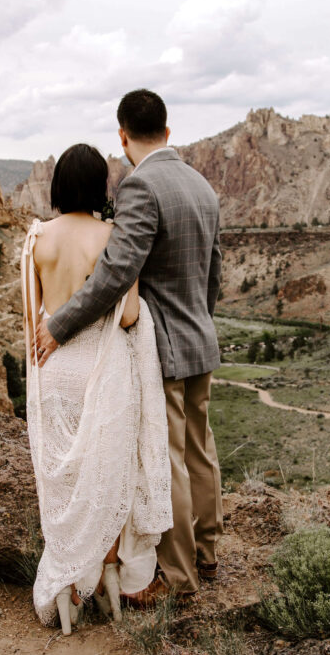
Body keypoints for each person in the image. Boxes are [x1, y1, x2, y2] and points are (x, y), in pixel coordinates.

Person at [35, 89, 223, 604]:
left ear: (122, 135)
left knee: (172, 459)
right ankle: (206, 554)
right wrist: (200, 320)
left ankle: (179, 577)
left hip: (162, 346)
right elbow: (213, 273)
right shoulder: (203, 187)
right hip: (201, 338)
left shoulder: (142, 187)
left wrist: (59, 326)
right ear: (168, 128)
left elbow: (117, 272)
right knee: (201, 451)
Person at [21, 143, 172, 634]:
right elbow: (128, 316)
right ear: (101, 189)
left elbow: (31, 322)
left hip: (53, 372)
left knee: (61, 486)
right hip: (101, 374)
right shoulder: (113, 236)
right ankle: (107, 575)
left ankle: (66, 589)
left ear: (58, 186)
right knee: (106, 484)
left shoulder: (35, 238)